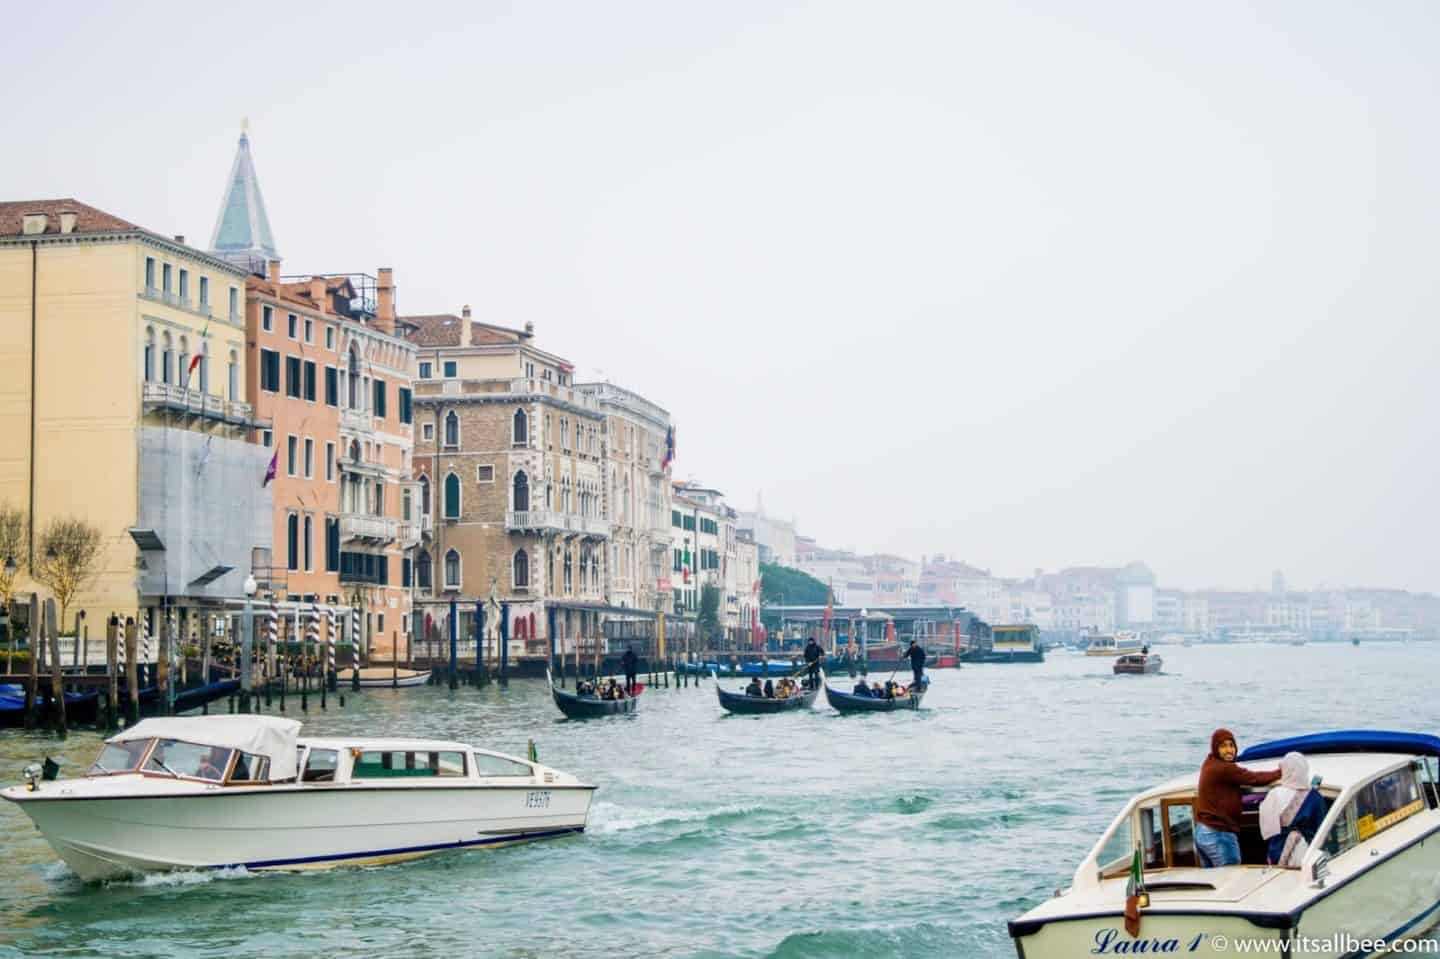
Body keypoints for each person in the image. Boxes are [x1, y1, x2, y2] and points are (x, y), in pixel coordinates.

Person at [1196, 728, 1281, 867]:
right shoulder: (1224, 768)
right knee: (1230, 878)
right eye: (1223, 746)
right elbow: (1255, 778)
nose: (1229, 750)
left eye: (1231, 745)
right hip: (1219, 833)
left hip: (1203, 831)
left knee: (1214, 881)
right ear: (1215, 748)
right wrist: (1280, 772)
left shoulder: (1209, 762)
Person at [1259, 752, 1326, 867]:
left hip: (1277, 851)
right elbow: (1322, 830)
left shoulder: (1274, 794)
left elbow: (1267, 830)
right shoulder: (1315, 797)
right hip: (1305, 853)